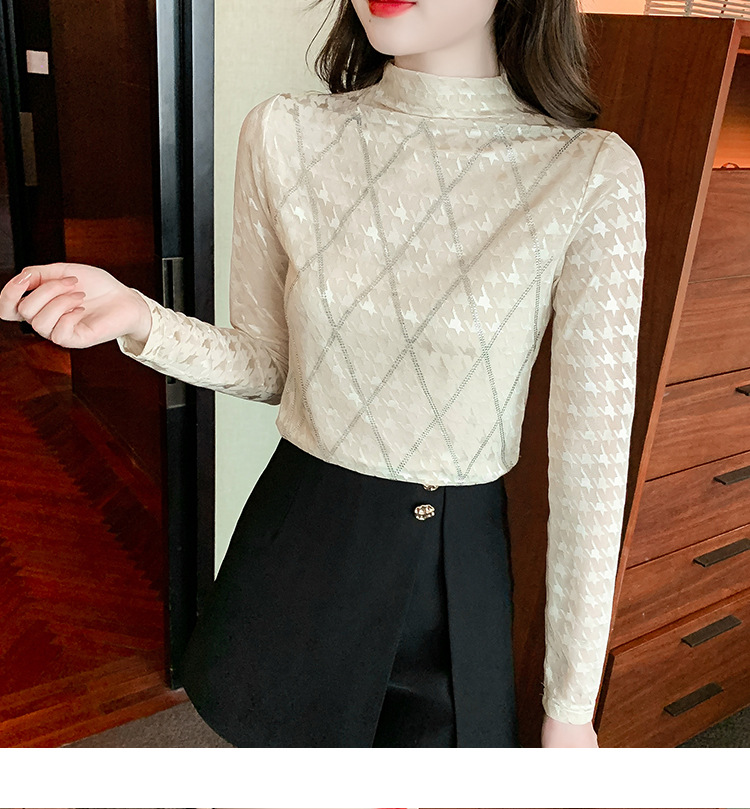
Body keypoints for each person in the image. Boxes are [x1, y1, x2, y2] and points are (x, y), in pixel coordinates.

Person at [0, 0, 647, 747]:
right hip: (299, 538)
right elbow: (274, 366)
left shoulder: (588, 172)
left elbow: (591, 467)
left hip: (449, 574)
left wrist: (570, 704)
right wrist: (141, 320)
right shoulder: (285, 132)